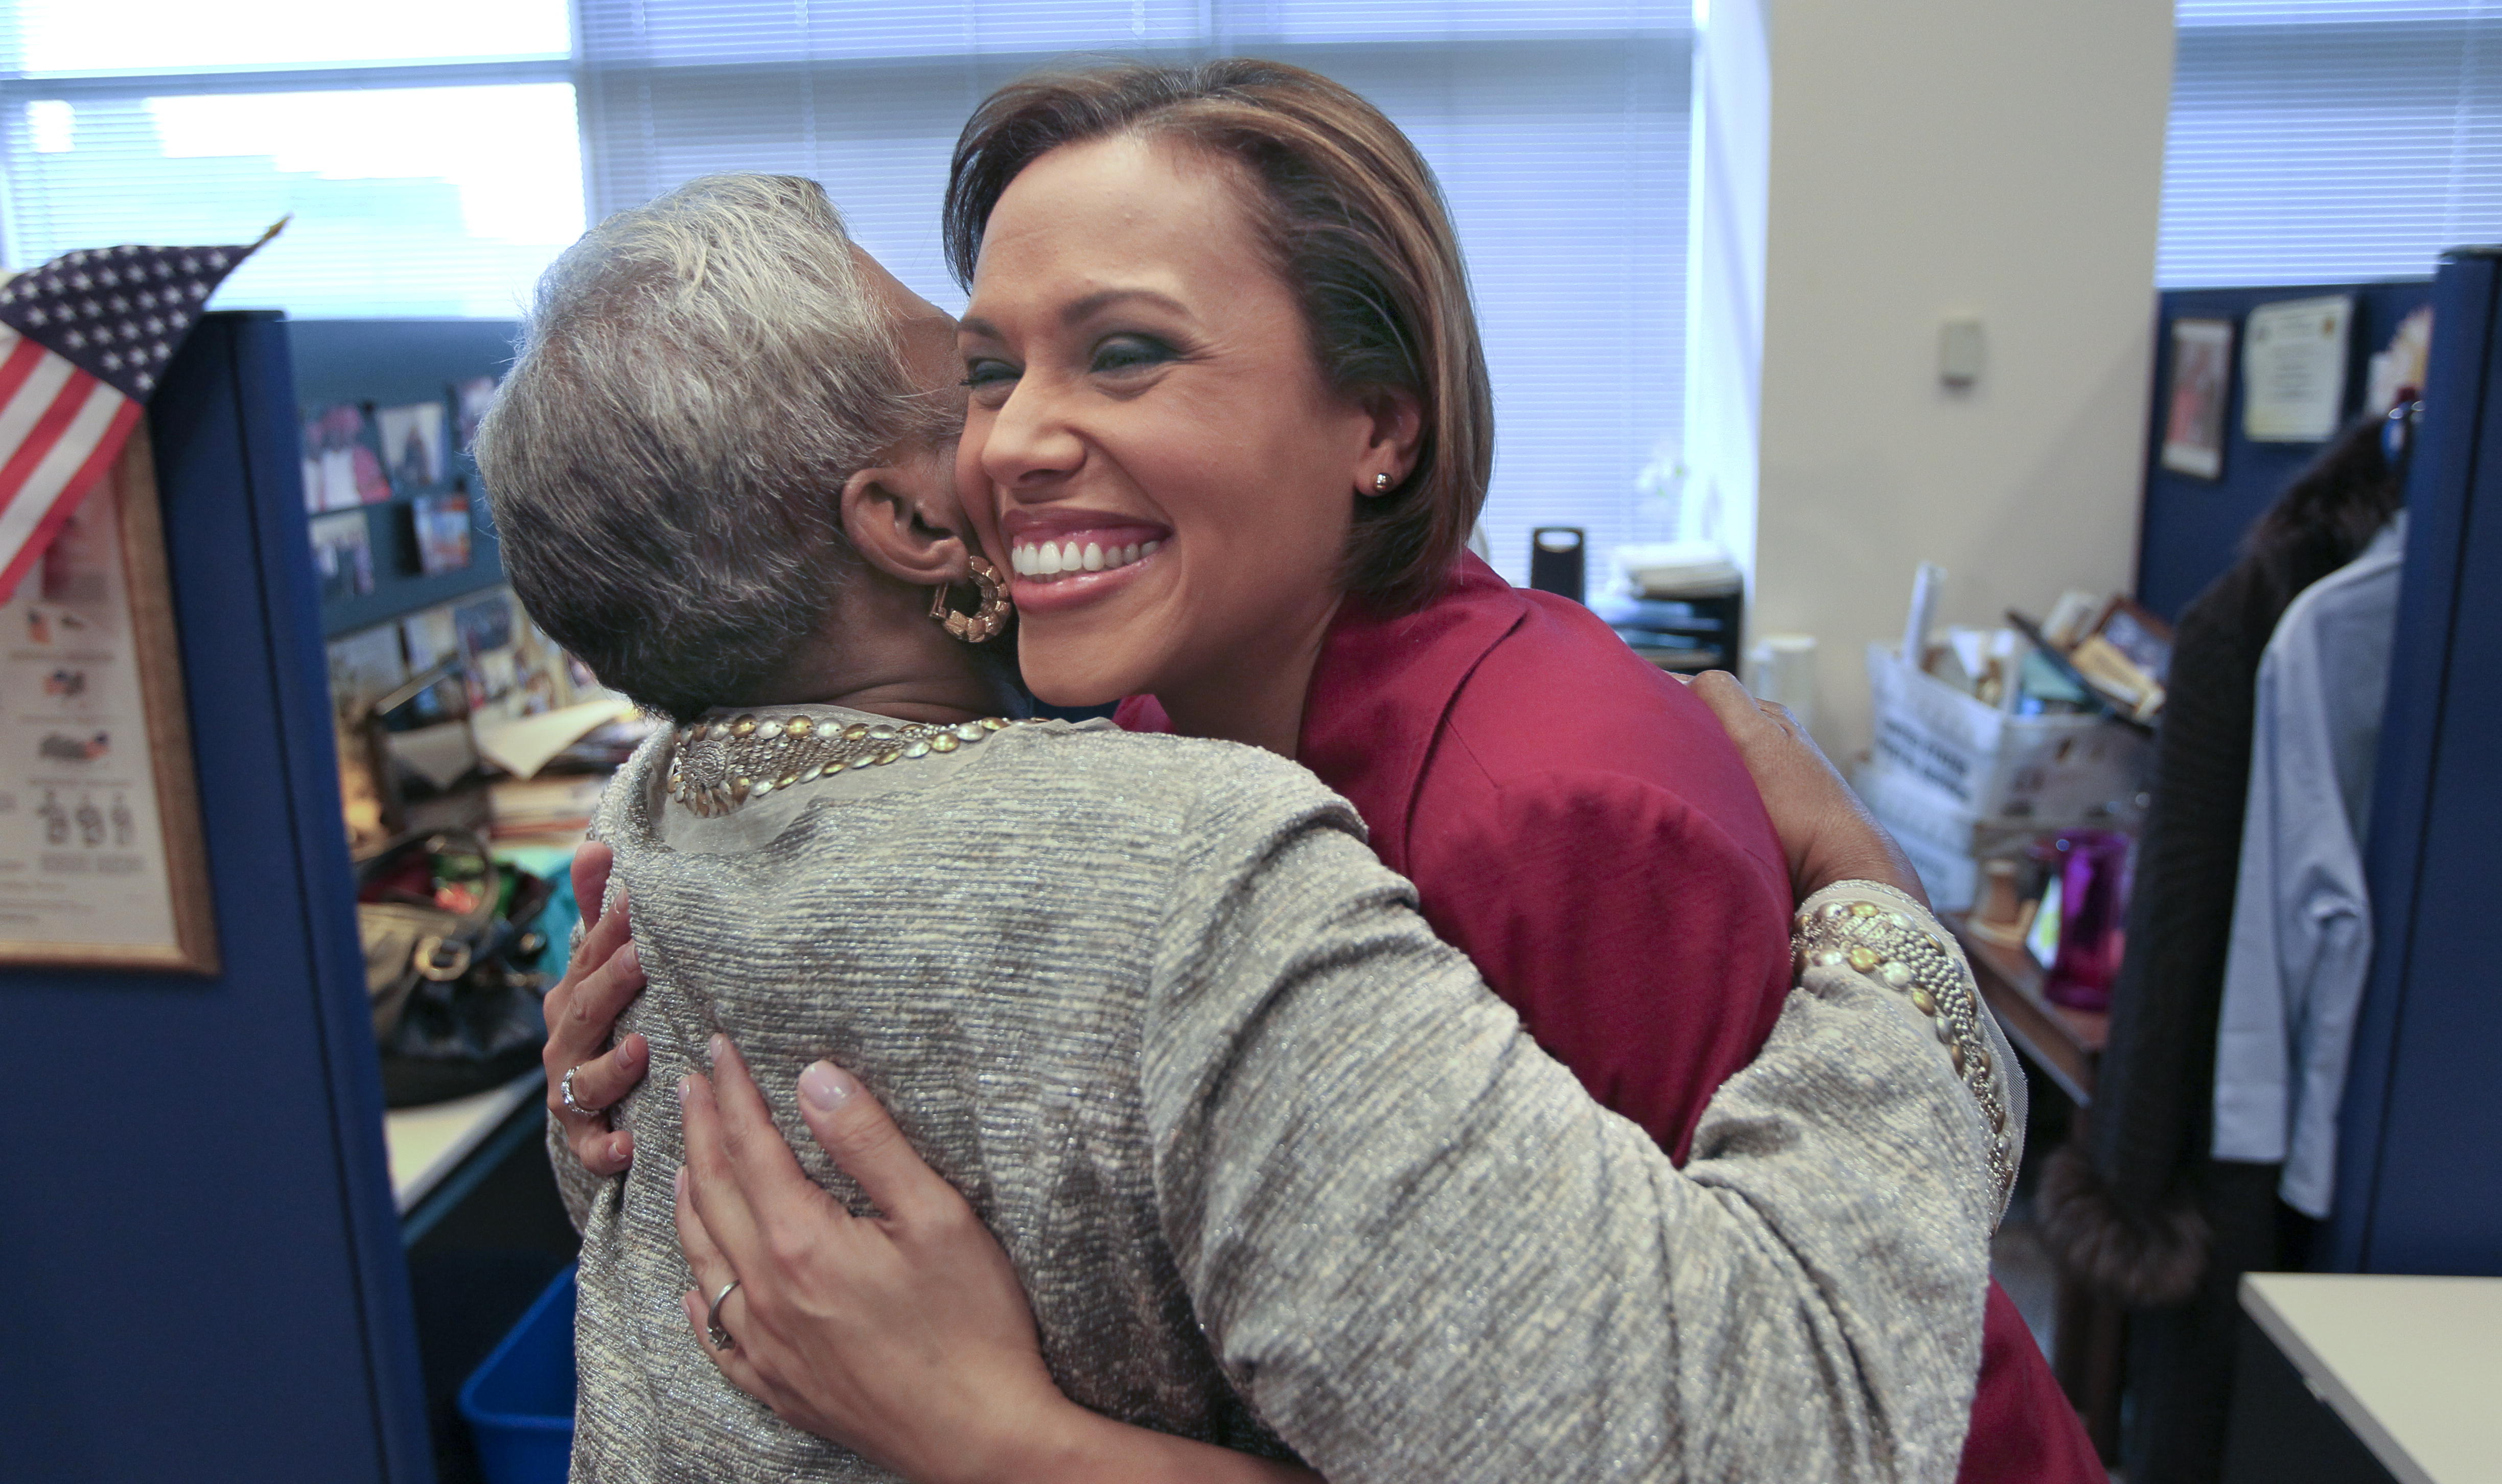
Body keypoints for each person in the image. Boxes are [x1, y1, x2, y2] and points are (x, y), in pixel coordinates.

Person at [624, 57, 2090, 1482]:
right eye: (992, 373)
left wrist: (1001, 1437)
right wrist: (660, 1037)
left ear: (1380, 425)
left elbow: (1749, 1427)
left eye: (1124, 352)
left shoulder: (1553, 805)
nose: (1011, 444)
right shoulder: (1159, 737)